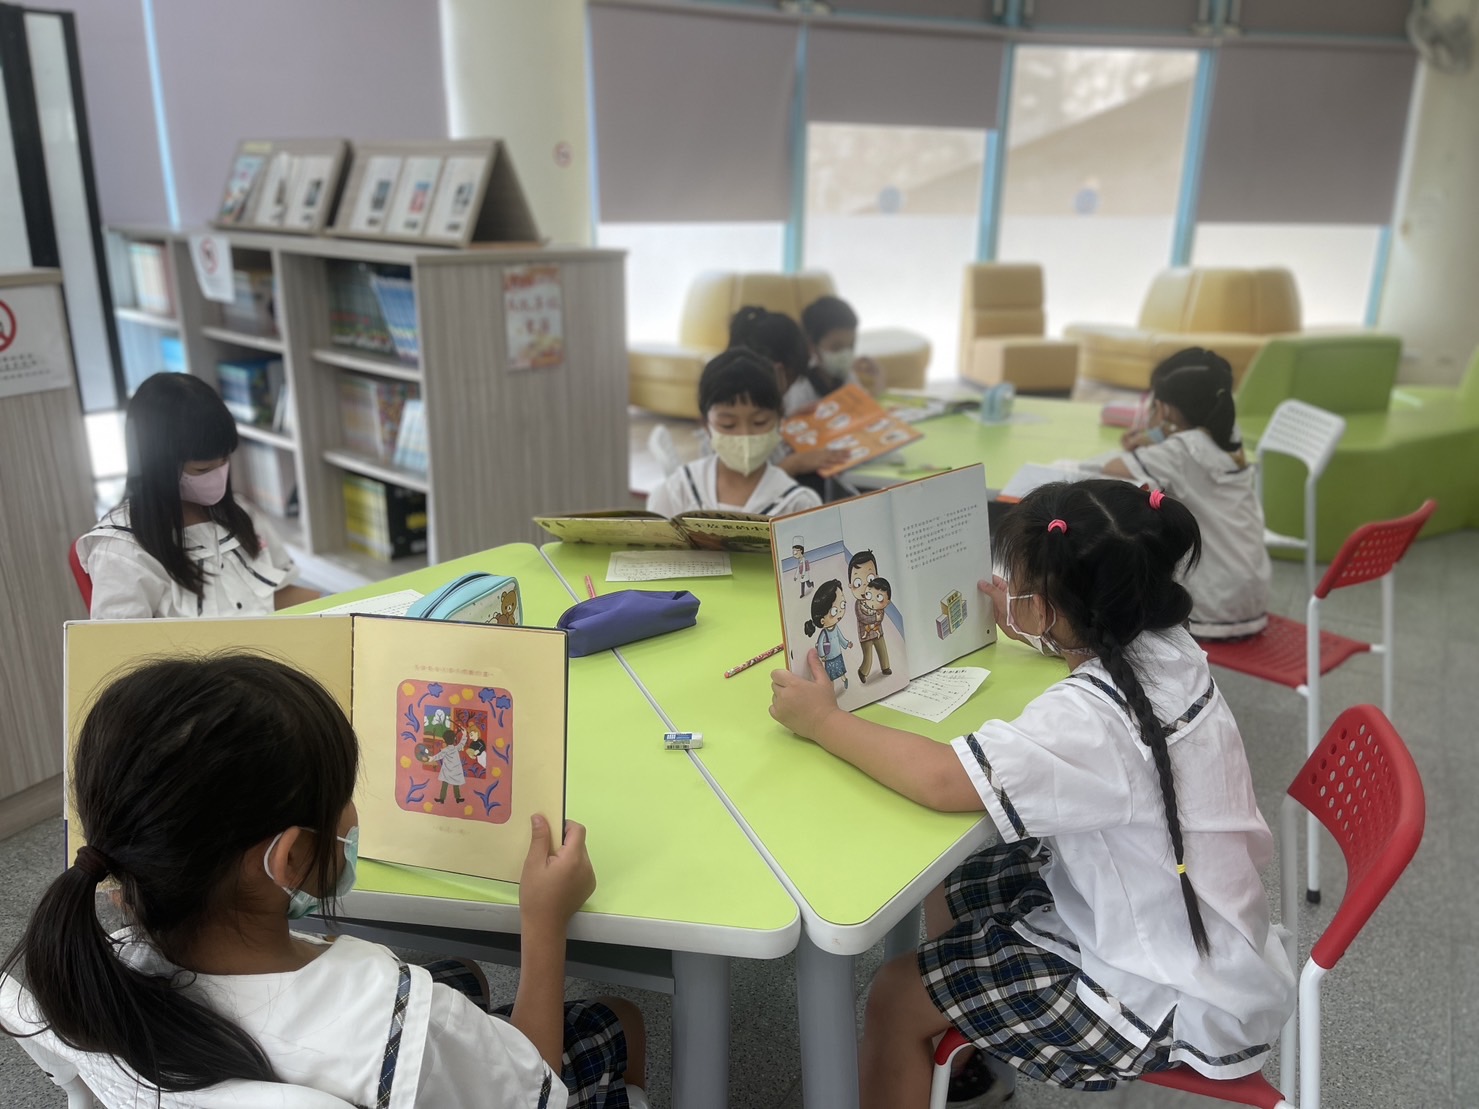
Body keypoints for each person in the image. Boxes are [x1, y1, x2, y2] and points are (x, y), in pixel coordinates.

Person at [769, 480, 1294, 1109]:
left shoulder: (1088, 720)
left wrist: (824, 721)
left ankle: (937, 1042)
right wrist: (1041, 629)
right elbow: (1095, 662)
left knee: (894, 996)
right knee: (955, 876)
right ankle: (967, 1057)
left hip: (1160, 992)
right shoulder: (1169, 644)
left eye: (1021, 592)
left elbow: (942, 779)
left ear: (1048, 608)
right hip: (1199, 934)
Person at [1, 654, 646, 1109]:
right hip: (388, 1058)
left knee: (462, 976)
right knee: (618, 1019)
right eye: (343, 796)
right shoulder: (390, 1009)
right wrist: (543, 923)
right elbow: (535, 1085)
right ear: (290, 859)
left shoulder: (93, 973)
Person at [77, 372, 318, 619]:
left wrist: (336, 608)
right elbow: (122, 642)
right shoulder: (121, 550)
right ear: (157, 466)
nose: (218, 476)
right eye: (203, 469)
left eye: (224, 461)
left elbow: (278, 594)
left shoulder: (240, 513)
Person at [1100, 348, 1271, 639]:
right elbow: (1188, 443)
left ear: (1164, 408)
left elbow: (1113, 467)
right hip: (1250, 598)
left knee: (1129, 548)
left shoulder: (1179, 452)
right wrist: (1156, 437)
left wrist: (1152, 435)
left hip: (1209, 609)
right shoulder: (1228, 433)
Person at [646, 348, 822, 519]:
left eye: (759, 422)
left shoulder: (798, 505)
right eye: (728, 425)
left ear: (779, 418)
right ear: (706, 424)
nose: (745, 435)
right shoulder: (678, 491)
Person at [727, 306, 847, 485]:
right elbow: (744, 489)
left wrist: (787, 420)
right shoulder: (732, 415)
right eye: (792, 380)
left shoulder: (744, 397)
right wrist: (793, 465)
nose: (787, 391)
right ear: (779, 372)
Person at [801, 295, 883, 397]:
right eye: (836, 347)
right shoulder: (801, 390)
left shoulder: (848, 378)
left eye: (851, 346)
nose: (845, 355)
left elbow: (865, 405)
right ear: (812, 346)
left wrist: (879, 377)